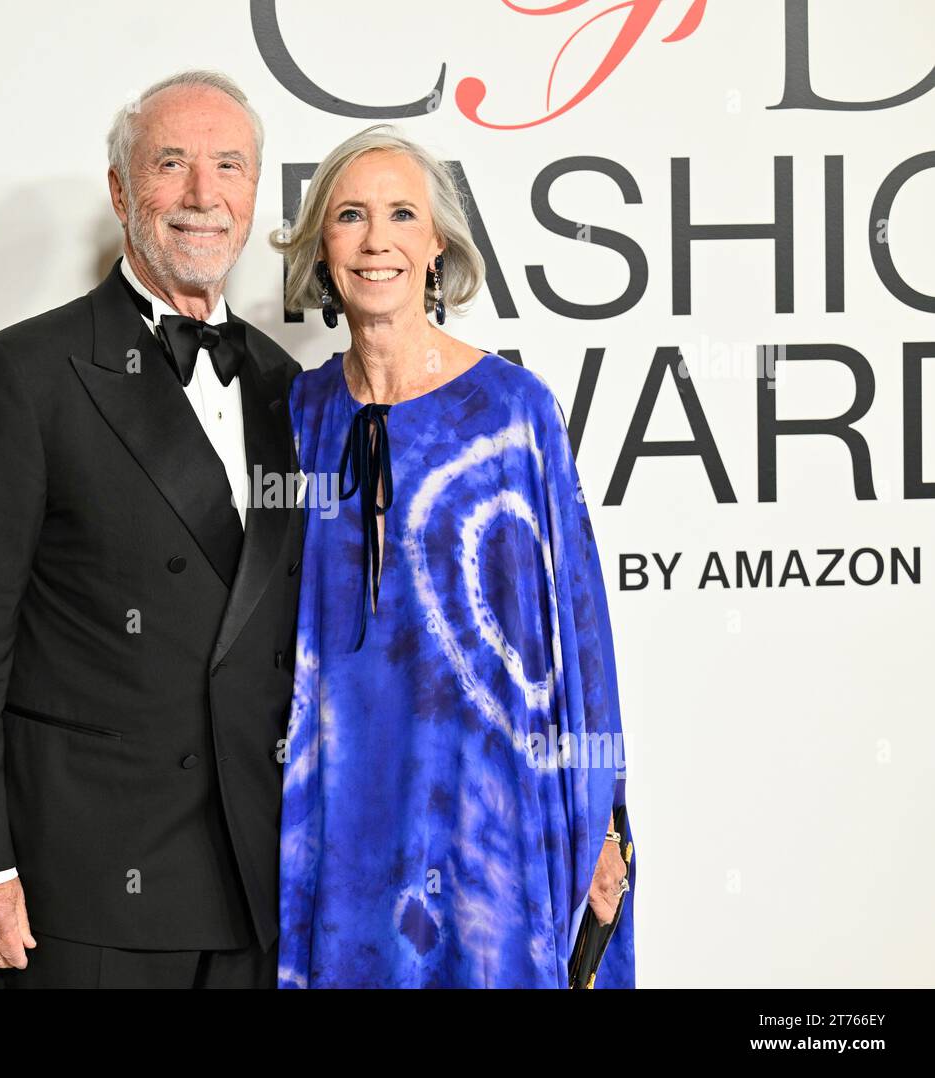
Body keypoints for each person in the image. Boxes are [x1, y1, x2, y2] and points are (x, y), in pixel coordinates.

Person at [0, 69, 304, 989]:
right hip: (84, 884)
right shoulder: (24, 373)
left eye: (229, 167)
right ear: (123, 191)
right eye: (172, 164)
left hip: (264, 876)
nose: (204, 196)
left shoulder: (293, 391)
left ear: (253, 196)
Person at [268, 124, 636, 988]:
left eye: (402, 214)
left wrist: (606, 818)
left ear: (438, 245)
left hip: (490, 826)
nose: (376, 239)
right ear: (323, 247)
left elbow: (579, 633)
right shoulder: (296, 418)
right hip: (338, 821)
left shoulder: (513, 412)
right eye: (350, 216)